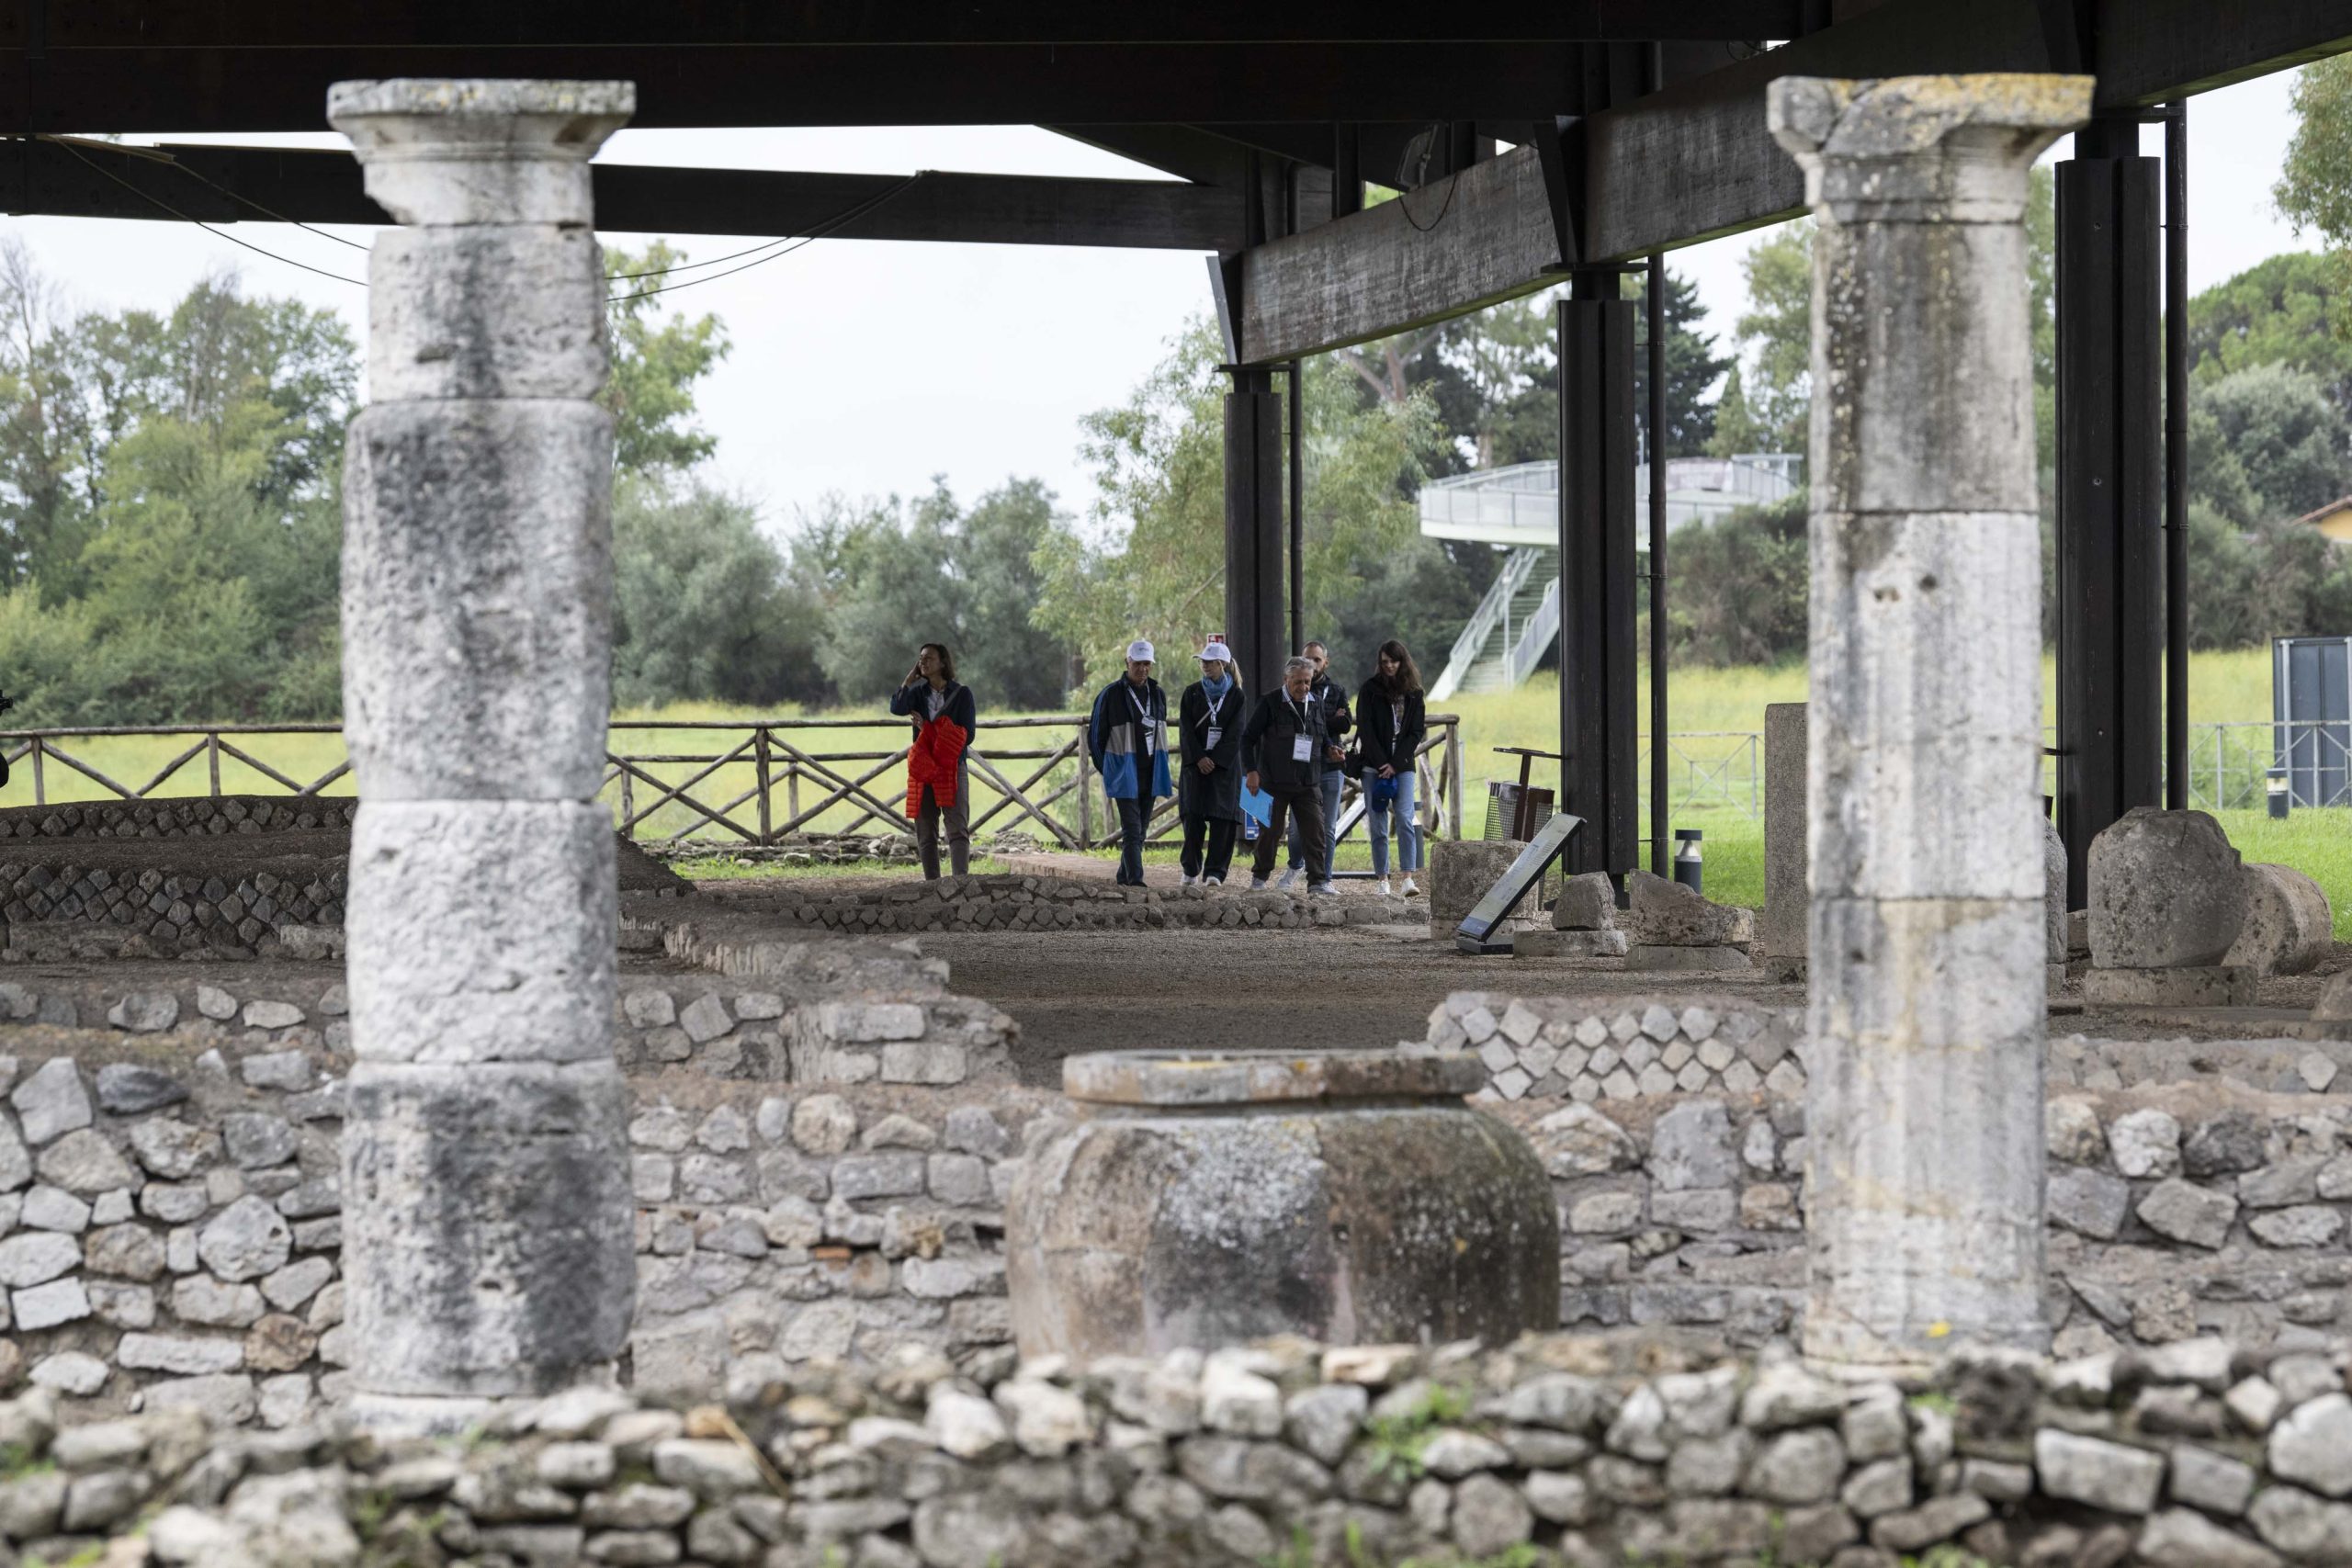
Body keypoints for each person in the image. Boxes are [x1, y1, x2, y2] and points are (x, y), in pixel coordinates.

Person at [1242, 656, 1338, 896]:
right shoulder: (1270, 703)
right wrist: (1251, 771)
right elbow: (1247, 739)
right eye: (1298, 682)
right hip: (1274, 780)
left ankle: (1318, 882)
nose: (1303, 687)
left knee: (1315, 830)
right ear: (1286, 680)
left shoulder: (1314, 702)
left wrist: (1330, 748)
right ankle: (1259, 879)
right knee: (1270, 831)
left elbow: (1322, 734)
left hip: (1308, 780)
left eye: (1307, 682)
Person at [1088, 638, 1172, 886]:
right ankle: (1136, 881)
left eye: (1147, 664)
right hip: (1124, 771)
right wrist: (1108, 769)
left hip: (1150, 771)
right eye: (1138, 663)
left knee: (1141, 829)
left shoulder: (1157, 694)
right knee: (1132, 829)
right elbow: (1096, 735)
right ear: (1127, 662)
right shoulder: (1110, 694)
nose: (1143, 669)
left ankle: (1123, 876)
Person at [889, 642, 976, 879]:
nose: (923, 662)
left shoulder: (962, 695)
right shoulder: (917, 694)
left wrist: (927, 728)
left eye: (928, 658)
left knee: (957, 827)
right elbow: (897, 707)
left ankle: (960, 882)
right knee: (925, 829)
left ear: (943, 662)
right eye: (920, 659)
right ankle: (932, 886)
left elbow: (966, 734)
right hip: (924, 769)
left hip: (952, 767)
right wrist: (909, 678)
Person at [1355, 639, 1428, 897]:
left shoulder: (1415, 692)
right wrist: (1381, 763)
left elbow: (1416, 731)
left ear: (1402, 661)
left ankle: (1408, 877)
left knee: (1406, 819)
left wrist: (1395, 764)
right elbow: (1365, 727)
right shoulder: (1369, 690)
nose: (1389, 666)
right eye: (1384, 662)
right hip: (1373, 766)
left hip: (1403, 765)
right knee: (1377, 824)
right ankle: (1383, 879)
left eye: (1393, 661)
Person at [1281, 639, 1351, 889]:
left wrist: (1322, 719)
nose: (1312, 663)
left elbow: (1345, 723)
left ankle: (1325, 878)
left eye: (1317, 659)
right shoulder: (1291, 691)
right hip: (1301, 768)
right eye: (1307, 658)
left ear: (1325, 662)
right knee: (1297, 827)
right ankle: (1295, 864)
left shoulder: (1336, 690)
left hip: (1330, 767)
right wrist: (1329, 718)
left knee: (1327, 827)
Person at [1177, 641, 1245, 886]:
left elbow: (1235, 733)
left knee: (1223, 820)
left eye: (1210, 662)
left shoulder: (1236, 696)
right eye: (1202, 661)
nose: (1205, 666)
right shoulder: (1191, 692)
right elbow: (1185, 730)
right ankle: (1190, 868)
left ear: (1222, 664)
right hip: (1196, 766)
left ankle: (1215, 871)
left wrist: (1215, 760)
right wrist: (1199, 757)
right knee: (1192, 817)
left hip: (1223, 768)